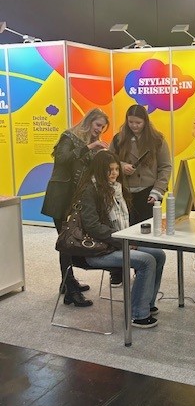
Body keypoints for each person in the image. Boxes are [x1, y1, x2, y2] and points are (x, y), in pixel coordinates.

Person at [75, 151, 166, 328]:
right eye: (110, 170)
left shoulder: (115, 188)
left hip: (117, 243)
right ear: (99, 170)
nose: (114, 173)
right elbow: (93, 226)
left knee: (159, 255)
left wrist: (129, 240)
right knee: (146, 261)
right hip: (97, 250)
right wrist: (123, 241)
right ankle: (138, 314)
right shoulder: (90, 190)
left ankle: (146, 303)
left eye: (117, 169)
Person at [42, 108, 109, 306]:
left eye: (103, 128)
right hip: (61, 198)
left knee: (69, 242)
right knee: (67, 242)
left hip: (74, 199)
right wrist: (90, 147)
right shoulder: (69, 137)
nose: (99, 130)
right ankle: (70, 291)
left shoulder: (90, 143)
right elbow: (62, 158)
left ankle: (67, 282)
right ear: (88, 121)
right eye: (98, 125)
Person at [111, 104, 172, 225]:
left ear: (145, 121)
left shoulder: (157, 140)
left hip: (148, 193)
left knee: (148, 228)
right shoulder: (118, 139)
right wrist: (122, 166)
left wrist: (158, 190)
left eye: (138, 122)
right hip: (124, 193)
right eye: (131, 122)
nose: (134, 125)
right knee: (127, 228)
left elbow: (165, 167)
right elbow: (108, 161)